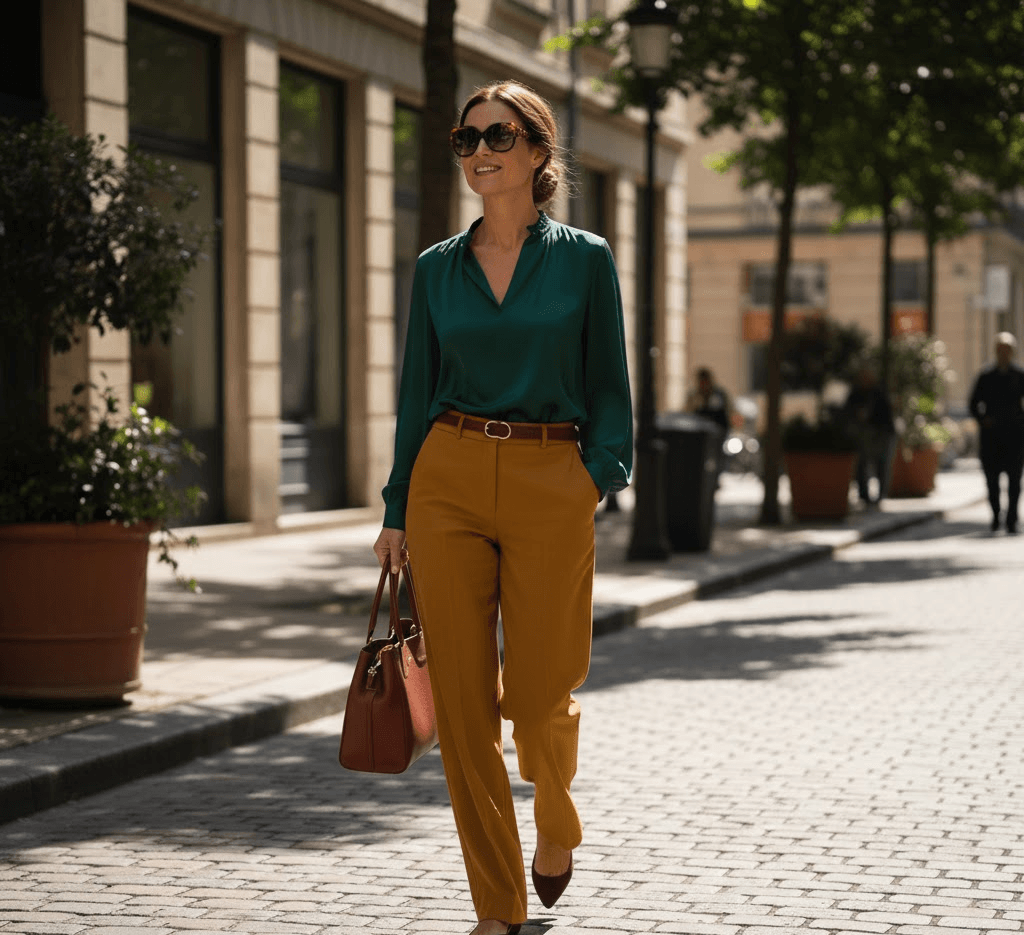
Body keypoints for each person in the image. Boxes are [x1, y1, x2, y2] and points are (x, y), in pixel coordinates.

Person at [373, 81, 633, 935]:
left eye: (499, 133)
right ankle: (497, 905)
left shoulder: (586, 258)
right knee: (464, 703)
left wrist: (592, 477)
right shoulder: (436, 267)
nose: (479, 148)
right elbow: (416, 394)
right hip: (446, 475)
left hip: (550, 474)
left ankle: (556, 817)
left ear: (536, 151)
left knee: (539, 689)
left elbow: (611, 392)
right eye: (466, 136)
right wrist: (397, 507)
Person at [969, 332, 1024, 533]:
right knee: (992, 481)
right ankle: (995, 515)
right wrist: (984, 420)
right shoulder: (986, 376)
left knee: (1014, 482)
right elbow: (974, 403)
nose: (1004, 354)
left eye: (1007, 350)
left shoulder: (1019, 376)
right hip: (991, 438)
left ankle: (1012, 519)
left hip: (1015, 438)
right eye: (1000, 350)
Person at [843, 363, 896, 506]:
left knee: (882, 466)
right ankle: (864, 495)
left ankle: (881, 494)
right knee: (862, 465)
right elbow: (848, 412)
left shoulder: (879, 393)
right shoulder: (856, 393)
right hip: (863, 435)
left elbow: (886, 417)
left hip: (881, 434)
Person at [685, 367, 731, 433]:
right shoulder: (693, 396)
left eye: (705, 381)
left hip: (718, 430)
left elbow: (728, 413)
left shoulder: (719, 395)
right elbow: (688, 413)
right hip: (698, 431)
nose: (704, 385)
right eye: (701, 381)